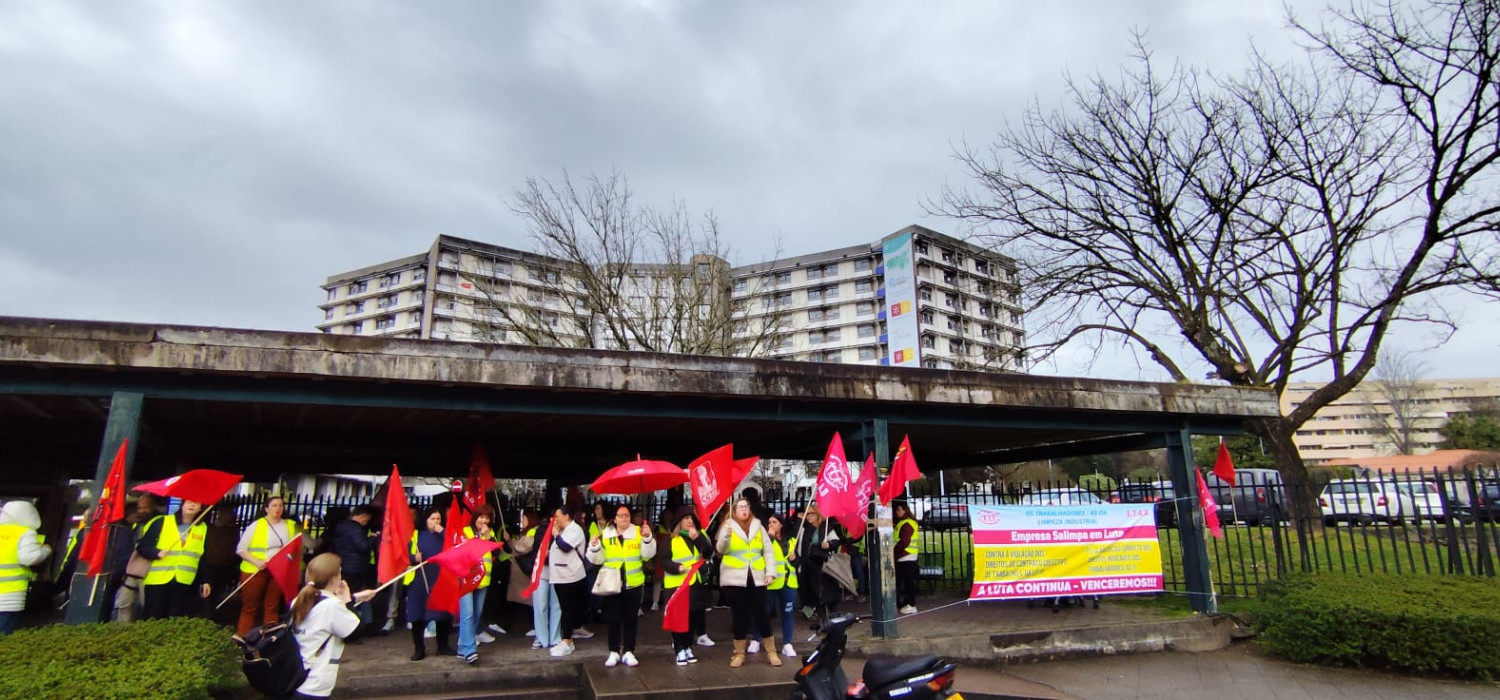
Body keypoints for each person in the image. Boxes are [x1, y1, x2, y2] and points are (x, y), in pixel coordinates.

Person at [288, 552, 377, 699]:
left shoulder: (300, 600)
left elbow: (328, 611)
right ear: (334, 579)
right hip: (315, 682)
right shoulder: (332, 606)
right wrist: (348, 601)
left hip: (297, 677)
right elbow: (355, 632)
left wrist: (355, 597)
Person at [585, 503, 656, 668]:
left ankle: (629, 650)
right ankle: (614, 651)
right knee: (612, 619)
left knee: (631, 619)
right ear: (614, 518)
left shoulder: (639, 532)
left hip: (633, 583)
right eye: (621, 515)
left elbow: (648, 555)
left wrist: (647, 538)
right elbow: (595, 559)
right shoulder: (606, 534)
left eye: (627, 515)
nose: (624, 518)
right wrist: (594, 546)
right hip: (612, 584)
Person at [715, 497, 780, 668]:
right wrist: (726, 537)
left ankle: (771, 651)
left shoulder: (758, 526)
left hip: (757, 577)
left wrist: (771, 572)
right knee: (740, 616)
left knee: (762, 614)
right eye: (741, 507)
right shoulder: (727, 526)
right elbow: (721, 550)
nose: (744, 510)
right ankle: (739, 653)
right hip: (735, 579)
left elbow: (768, 550)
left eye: (746, 506)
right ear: (735, 510)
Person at [235, 496, 299, 635]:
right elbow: (241, 549)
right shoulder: (256, 525)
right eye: (274, 505)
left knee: (272, 606)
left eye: (281, 505)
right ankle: (243, 637)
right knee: (249, 607)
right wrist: (256, 561)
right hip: (255, 570)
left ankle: (269, 639)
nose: (278, 508)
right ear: (266, 508)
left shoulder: (289, 525)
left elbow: (293, 548)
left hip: (277, 571)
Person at [138, 499, 211, 620]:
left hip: (184, 580)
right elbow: (142, 547)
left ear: (200, 508)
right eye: (188, 502)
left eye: (196, 503)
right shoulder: (162, 522)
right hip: (158, 580)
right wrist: (157, 553)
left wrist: (206, 581)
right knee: (153, 617)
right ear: (182, 505)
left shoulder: (202, 528)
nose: (192, 504)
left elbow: (202, 557)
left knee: (175, 618)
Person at [660, 505, 712, 666]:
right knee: (679, 619)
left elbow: (708, 551)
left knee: (693, 617)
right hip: (677, 584)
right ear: (679, 522)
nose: (689, 521)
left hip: (695, 583)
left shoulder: (698, 535)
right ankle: (679, 648)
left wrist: (697, 537)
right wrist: (678, 568)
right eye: (686, 519)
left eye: (691, 518)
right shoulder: (671, 540)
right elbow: (664, 561)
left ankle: (688, 646)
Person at [406, 508, 454, 661]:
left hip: (441, 578)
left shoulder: (445, 535)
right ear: (425, 520)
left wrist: (442, 531)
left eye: (438, 519)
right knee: (418, 615)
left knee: (443, 615)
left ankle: (443, 646)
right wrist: (414, 558)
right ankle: (419, 649)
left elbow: (455, 546)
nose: (436, 522)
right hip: (420, 580)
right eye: (433, 519)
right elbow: (403, 555)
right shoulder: (416, 535)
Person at [455, 504, 499, 664]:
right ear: (475, 518)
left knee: (475, 615)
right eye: (481, 517)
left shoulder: (491, 534)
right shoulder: (466, 532)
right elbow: (465, 552)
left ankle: (462, 648)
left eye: (487, 518)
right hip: (467, 580)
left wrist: (488, 538)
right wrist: (481, 539)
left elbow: (497, 552)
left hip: (483, 580)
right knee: (467, 614)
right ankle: (469, 649)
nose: (484, 520)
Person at [0, 500, 52, 635]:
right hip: (9, 597)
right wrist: (46, 551)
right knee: (4, 636)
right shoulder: (25, 533)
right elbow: (30, 558)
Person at [546, 507, 589, 658]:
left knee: (568, 609)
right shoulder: (564, 530)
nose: (555, 519)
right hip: (559, 576)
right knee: (565, 608)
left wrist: (556, 533)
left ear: (567, 516)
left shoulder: (574, 530)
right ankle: (566, 639)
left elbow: (565, 547)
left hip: (570, 577)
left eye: (558, 516)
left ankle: (567, 641)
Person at [330, 504, 380, 633]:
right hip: (356, 567)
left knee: (349, 594)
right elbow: (363, 546)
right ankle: (358, 625)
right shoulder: (356, 529)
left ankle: (367, 623)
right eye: (366, 520)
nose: (365, 523)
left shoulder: (340, 526)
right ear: (361, 516)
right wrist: (373, 538)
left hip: (343, 565)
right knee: (354, 597)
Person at [794, 503, 840, 621]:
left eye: (810, 514)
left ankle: (831, 617)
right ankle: (820, 617)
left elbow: (836, 541)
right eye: (806, 514)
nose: (808, 517)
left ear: (817, 514)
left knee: (826, 592)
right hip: (808, 565)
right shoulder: (803, 528)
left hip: (822, 565)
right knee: (812, 592)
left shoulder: (825, 528)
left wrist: (829, 544)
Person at [764, 512, 801, 659]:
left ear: (781, 524)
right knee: (764, 612)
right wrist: (770, 537)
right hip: (771, 582)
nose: (771, 525)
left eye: (774, 522)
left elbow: (798, 562)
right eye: (769, 522)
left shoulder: (792, 541)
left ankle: (787, 643)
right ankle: (756, 638)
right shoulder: (765, 539)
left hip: (788, 582)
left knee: (787, 613)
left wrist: (794, 559)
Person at [200, 507, 240, 617]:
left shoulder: (233, 530)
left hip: (225, 565)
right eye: (229, 514)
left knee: (217, 591)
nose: (232, 517)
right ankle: (207, 615)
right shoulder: (209, 529)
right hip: (210, 564)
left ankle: (212, 613)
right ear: (220, 514)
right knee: (208, 592)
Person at [892, 501, 921, 615]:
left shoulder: (906, 524)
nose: (897, 512)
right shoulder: (904, 523)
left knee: (908, 582)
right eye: (896, 510)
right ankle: (906, 603)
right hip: (906, 556)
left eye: (899, 510)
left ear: (905, 510)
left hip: (906, 556)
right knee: (905, 581)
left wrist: (895, 552)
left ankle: (911, 604)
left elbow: (904, 541)